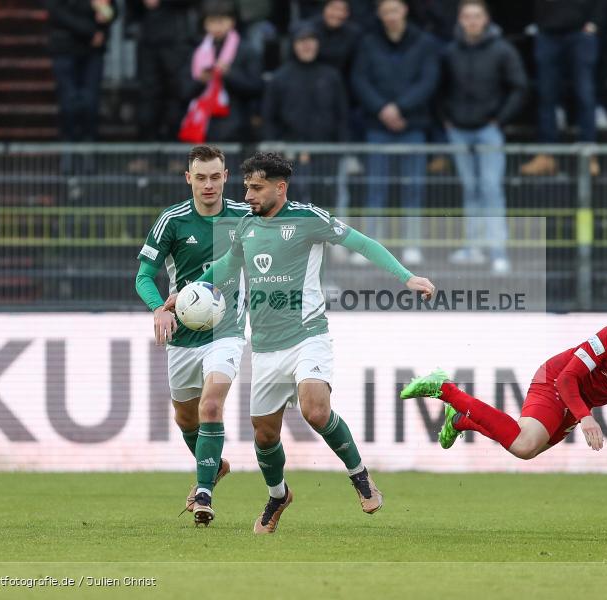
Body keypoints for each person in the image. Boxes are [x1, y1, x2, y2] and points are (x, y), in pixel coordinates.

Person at [181, 152, 436, 534]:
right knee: (265, 435)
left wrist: (406, 276)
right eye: (246, 186)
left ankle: (361, 476)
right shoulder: (245, 227)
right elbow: (226, 268)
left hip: (307, 337)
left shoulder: (308, 219)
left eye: (256, 187)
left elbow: (361, 243)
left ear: (279, 188)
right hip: (265, 348)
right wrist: (187, 293)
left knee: (316, 410)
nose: (247, 194)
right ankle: (278, 495)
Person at [400, 302, 607, 477]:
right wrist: (585, 417)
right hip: (556, 381)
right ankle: (445, 388)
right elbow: (567, 378)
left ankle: (459, 419)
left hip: (578, 401)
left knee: (527, 450)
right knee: (524, 444)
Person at [135, 145, 251, 526]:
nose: (208, 185)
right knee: (186, 419)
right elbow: (144, 276)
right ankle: (215, 465)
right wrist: (158, 309)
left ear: (226, 177)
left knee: (211, 407)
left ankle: (203, 492)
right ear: (189, 179)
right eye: (200, 177)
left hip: (228, 330)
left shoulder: (244, 217)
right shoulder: (172, 221)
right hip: (183, 335)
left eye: (215, 177)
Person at [439, 0, 527, 275]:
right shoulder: (450, 52)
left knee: (491, 188)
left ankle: (498, 251)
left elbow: (519, 87)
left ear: (486, 19)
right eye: (466, 16)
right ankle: (471, 247)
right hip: (458, 130)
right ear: (460, 20)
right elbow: (439, 86)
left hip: (488, 129)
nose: (472, 21)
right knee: (470, 188)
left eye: (477, 16)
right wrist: (447, 118)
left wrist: (499, 118)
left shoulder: (502, 50)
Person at [351, 0, 440, 266]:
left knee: (413, 188)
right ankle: (370, 248)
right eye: (385, 11)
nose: (391, 16)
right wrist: (382, 109)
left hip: (412, 127)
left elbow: (429, 80)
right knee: (375, 188)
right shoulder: (368, 42)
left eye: (395, 10)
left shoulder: (424, 42)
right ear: (379, 14)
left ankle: (412, 244)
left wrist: (400, 108)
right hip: (377, 127)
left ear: (405, 11)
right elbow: (360, 79)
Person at [262, 22, 348, 204]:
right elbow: (269, 117)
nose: (307, 45)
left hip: (326, 153)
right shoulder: (280, 77)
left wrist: (342, 151)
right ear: (293, 45)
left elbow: (342, 115)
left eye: (311, 40)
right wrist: (276, 151)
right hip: (289, 155)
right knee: (289, 206)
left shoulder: (331, 75)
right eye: (301, 40)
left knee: (325, 205)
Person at [520, 0, 607, 177]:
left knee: (585, 94)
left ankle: (588, 155)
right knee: (546, 96)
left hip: (581, 32)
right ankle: (546, 155)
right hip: (547, 33)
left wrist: (595, 23)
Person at [183, 0, 264, 142]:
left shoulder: (247, 50)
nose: (217, 27)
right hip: (203, 128)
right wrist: (200, 81)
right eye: (212, 21)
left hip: (237, 129)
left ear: (232, 22)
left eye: (221, 21)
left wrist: (229, 74)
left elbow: (256, 87)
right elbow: (183, 91)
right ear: (205, 24)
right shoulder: (197, 52)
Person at [45, 0, 117, 148]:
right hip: (65, 46)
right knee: (69, 103)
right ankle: (69, 156)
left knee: (91, 104)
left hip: (93, 49)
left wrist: (107, 15)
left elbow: (112, 9)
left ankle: (88, 156)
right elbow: (56, 10)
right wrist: (91, 31)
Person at [126, 0, 199, 141]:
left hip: (177, 40)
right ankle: (147, 148)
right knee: (148, 95)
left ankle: (175, 148)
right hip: (148, 40)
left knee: (176, 93)